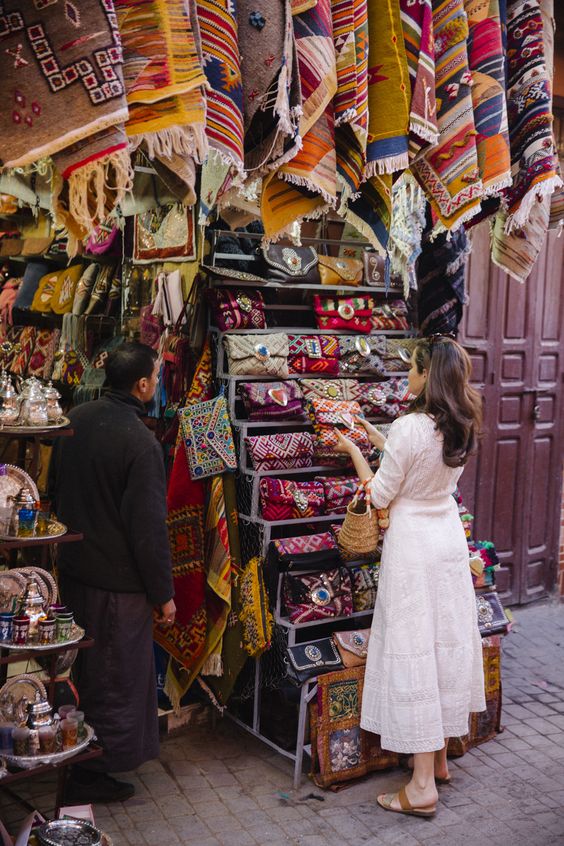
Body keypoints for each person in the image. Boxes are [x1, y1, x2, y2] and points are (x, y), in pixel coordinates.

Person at [334, 336, 486, 818]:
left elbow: (379, 496)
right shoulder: (460, 424)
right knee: (441, 643)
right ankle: (438, 759)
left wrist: (353, 450)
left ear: (427, 375)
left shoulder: (409, 427)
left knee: (416, 649)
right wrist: (382, 442)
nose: (407, 375)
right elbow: (427, 468)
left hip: (414, 548)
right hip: (445, 539)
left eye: (413, 368)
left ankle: (421, 787)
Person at [50, 342, 175, 803]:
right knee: (113, 680)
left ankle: (74, 757)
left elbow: (55, 490)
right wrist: (164, 595)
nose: (158, 384)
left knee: (80, 672)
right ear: (141, 385)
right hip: (117, 589)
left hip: (75, 575)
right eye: (156, 376)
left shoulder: (76, 420)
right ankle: (90, 770)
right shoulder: (141, 443)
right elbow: (148, 530)